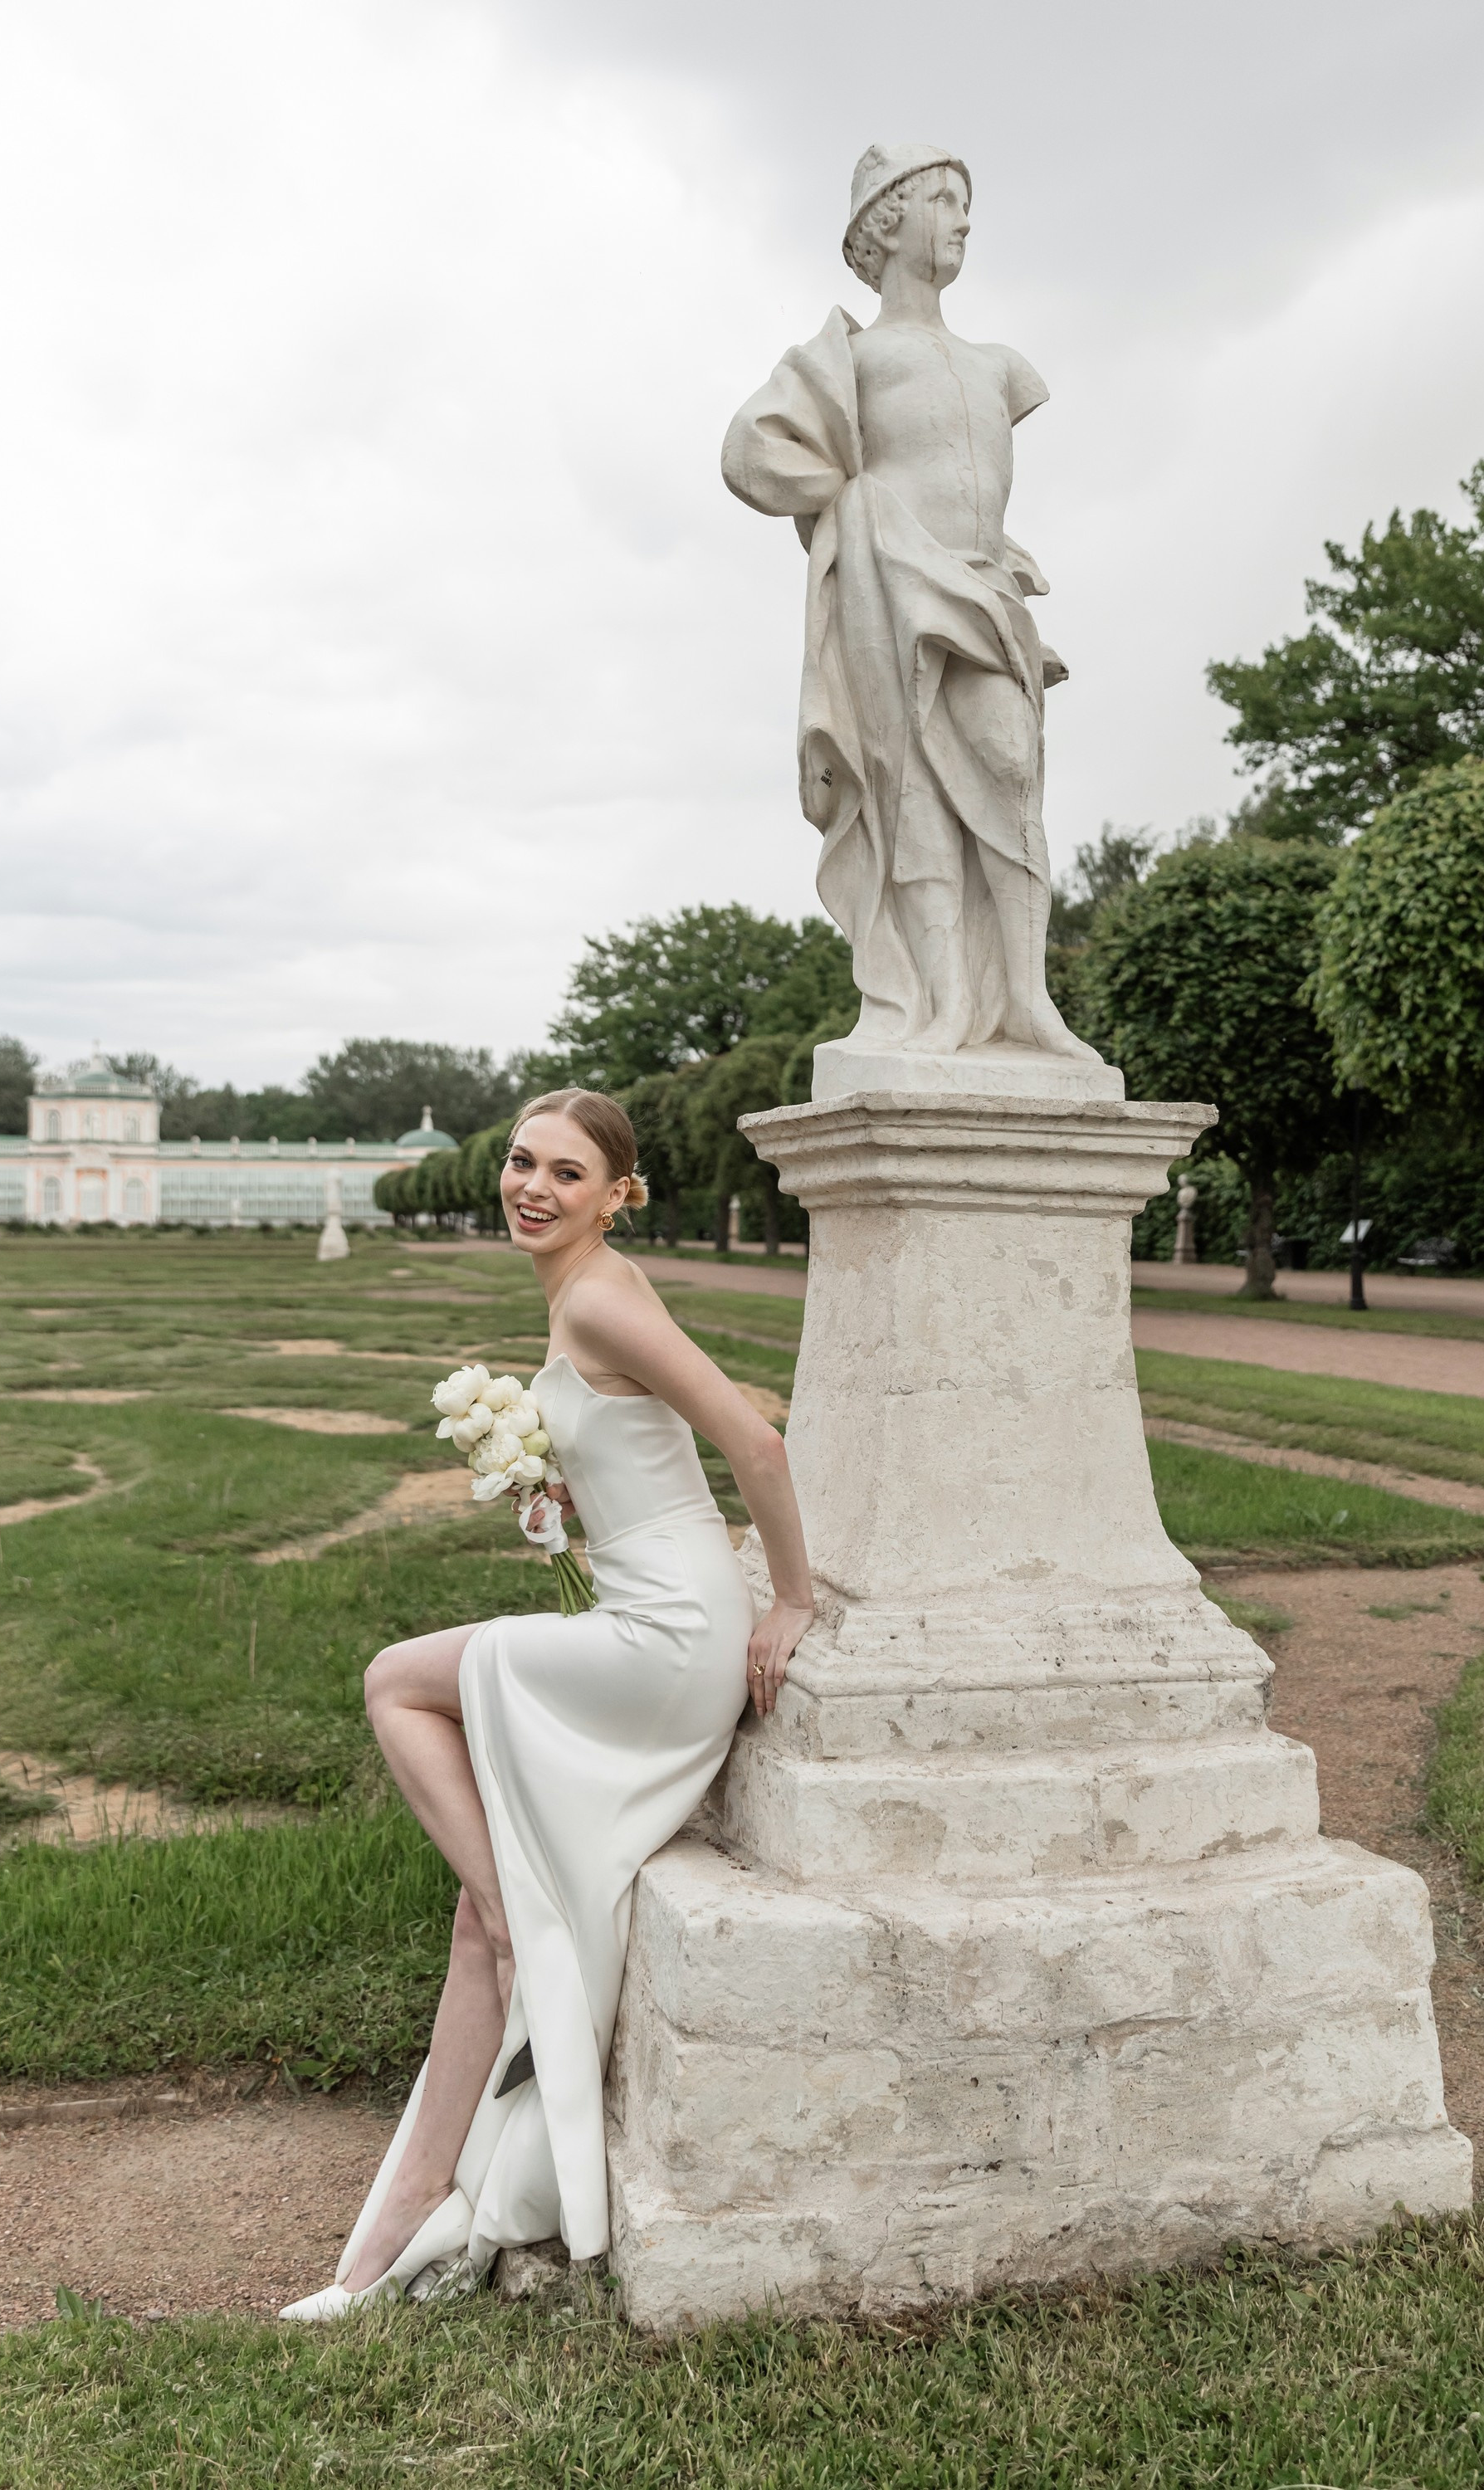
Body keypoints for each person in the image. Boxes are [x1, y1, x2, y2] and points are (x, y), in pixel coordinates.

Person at [281, 1088, 813, 2317]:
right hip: (638, 1612)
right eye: (523, 1161)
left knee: (396, 1684)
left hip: (669, 1636)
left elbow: (756, 1443)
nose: (533, 1186)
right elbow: (643, 1456)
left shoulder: (594, 1296)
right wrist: (567, 1499)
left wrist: (787, 1600)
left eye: (567, 1173)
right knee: (478, 1918)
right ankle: (386, 2240)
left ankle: (516, 1920)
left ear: (618, 1193)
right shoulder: (592, 1292)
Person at [722, 143, 1102, 1067]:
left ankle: (1026, 999)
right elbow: (749, 455)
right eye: (944, 200)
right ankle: (942, 1003)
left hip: (983, 589)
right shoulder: (845, 360)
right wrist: (854, 512)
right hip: (890, 591)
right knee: (909, 797)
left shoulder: (998, 367)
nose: (963, 220)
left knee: (1011, 770)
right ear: (886, 222)